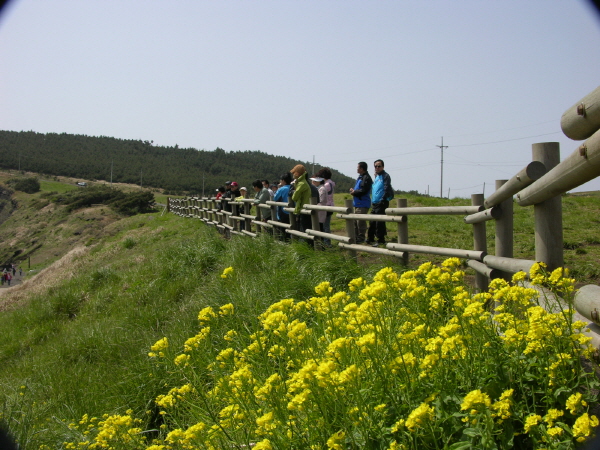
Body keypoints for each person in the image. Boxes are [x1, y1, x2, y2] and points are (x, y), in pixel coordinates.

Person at [367, 159, 393, 247]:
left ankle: (381, 239)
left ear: (383, 167)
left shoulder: (386, 176)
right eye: (375, 166)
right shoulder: (377, 177)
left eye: (379, 166)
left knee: (379, 222)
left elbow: (386, 188)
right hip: (374, 202)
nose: (377, 168)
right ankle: (370, 238)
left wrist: (383, 200)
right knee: (372, 221)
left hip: (382, 202)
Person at [349, 161, 373, 244]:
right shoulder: (360, 177)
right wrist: (354, 191)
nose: (357, 169)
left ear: (362, 169)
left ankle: (361, 238)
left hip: (363, 203)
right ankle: (356, 237)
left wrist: (354, 192)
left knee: (360, 222)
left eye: (358, 167)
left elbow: (363, 190)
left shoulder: (366, 178)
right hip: (357, 203)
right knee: (355, 221)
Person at [316, 168, 335, 246]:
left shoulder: (326, 185)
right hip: (330, 205)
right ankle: (326, 242)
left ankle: (327, 243)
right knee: (326, 225)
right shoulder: (330, 183)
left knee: (325, 226)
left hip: (327, 206)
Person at [290, 164, 311, 233]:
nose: (293, 174)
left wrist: (294, 192)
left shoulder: (302, 184)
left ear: (297, 173)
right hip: (303, 209)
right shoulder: (302, 182)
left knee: (304, 230)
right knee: (303, 230)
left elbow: (294, 197)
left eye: (294, 173)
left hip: (303, 209)